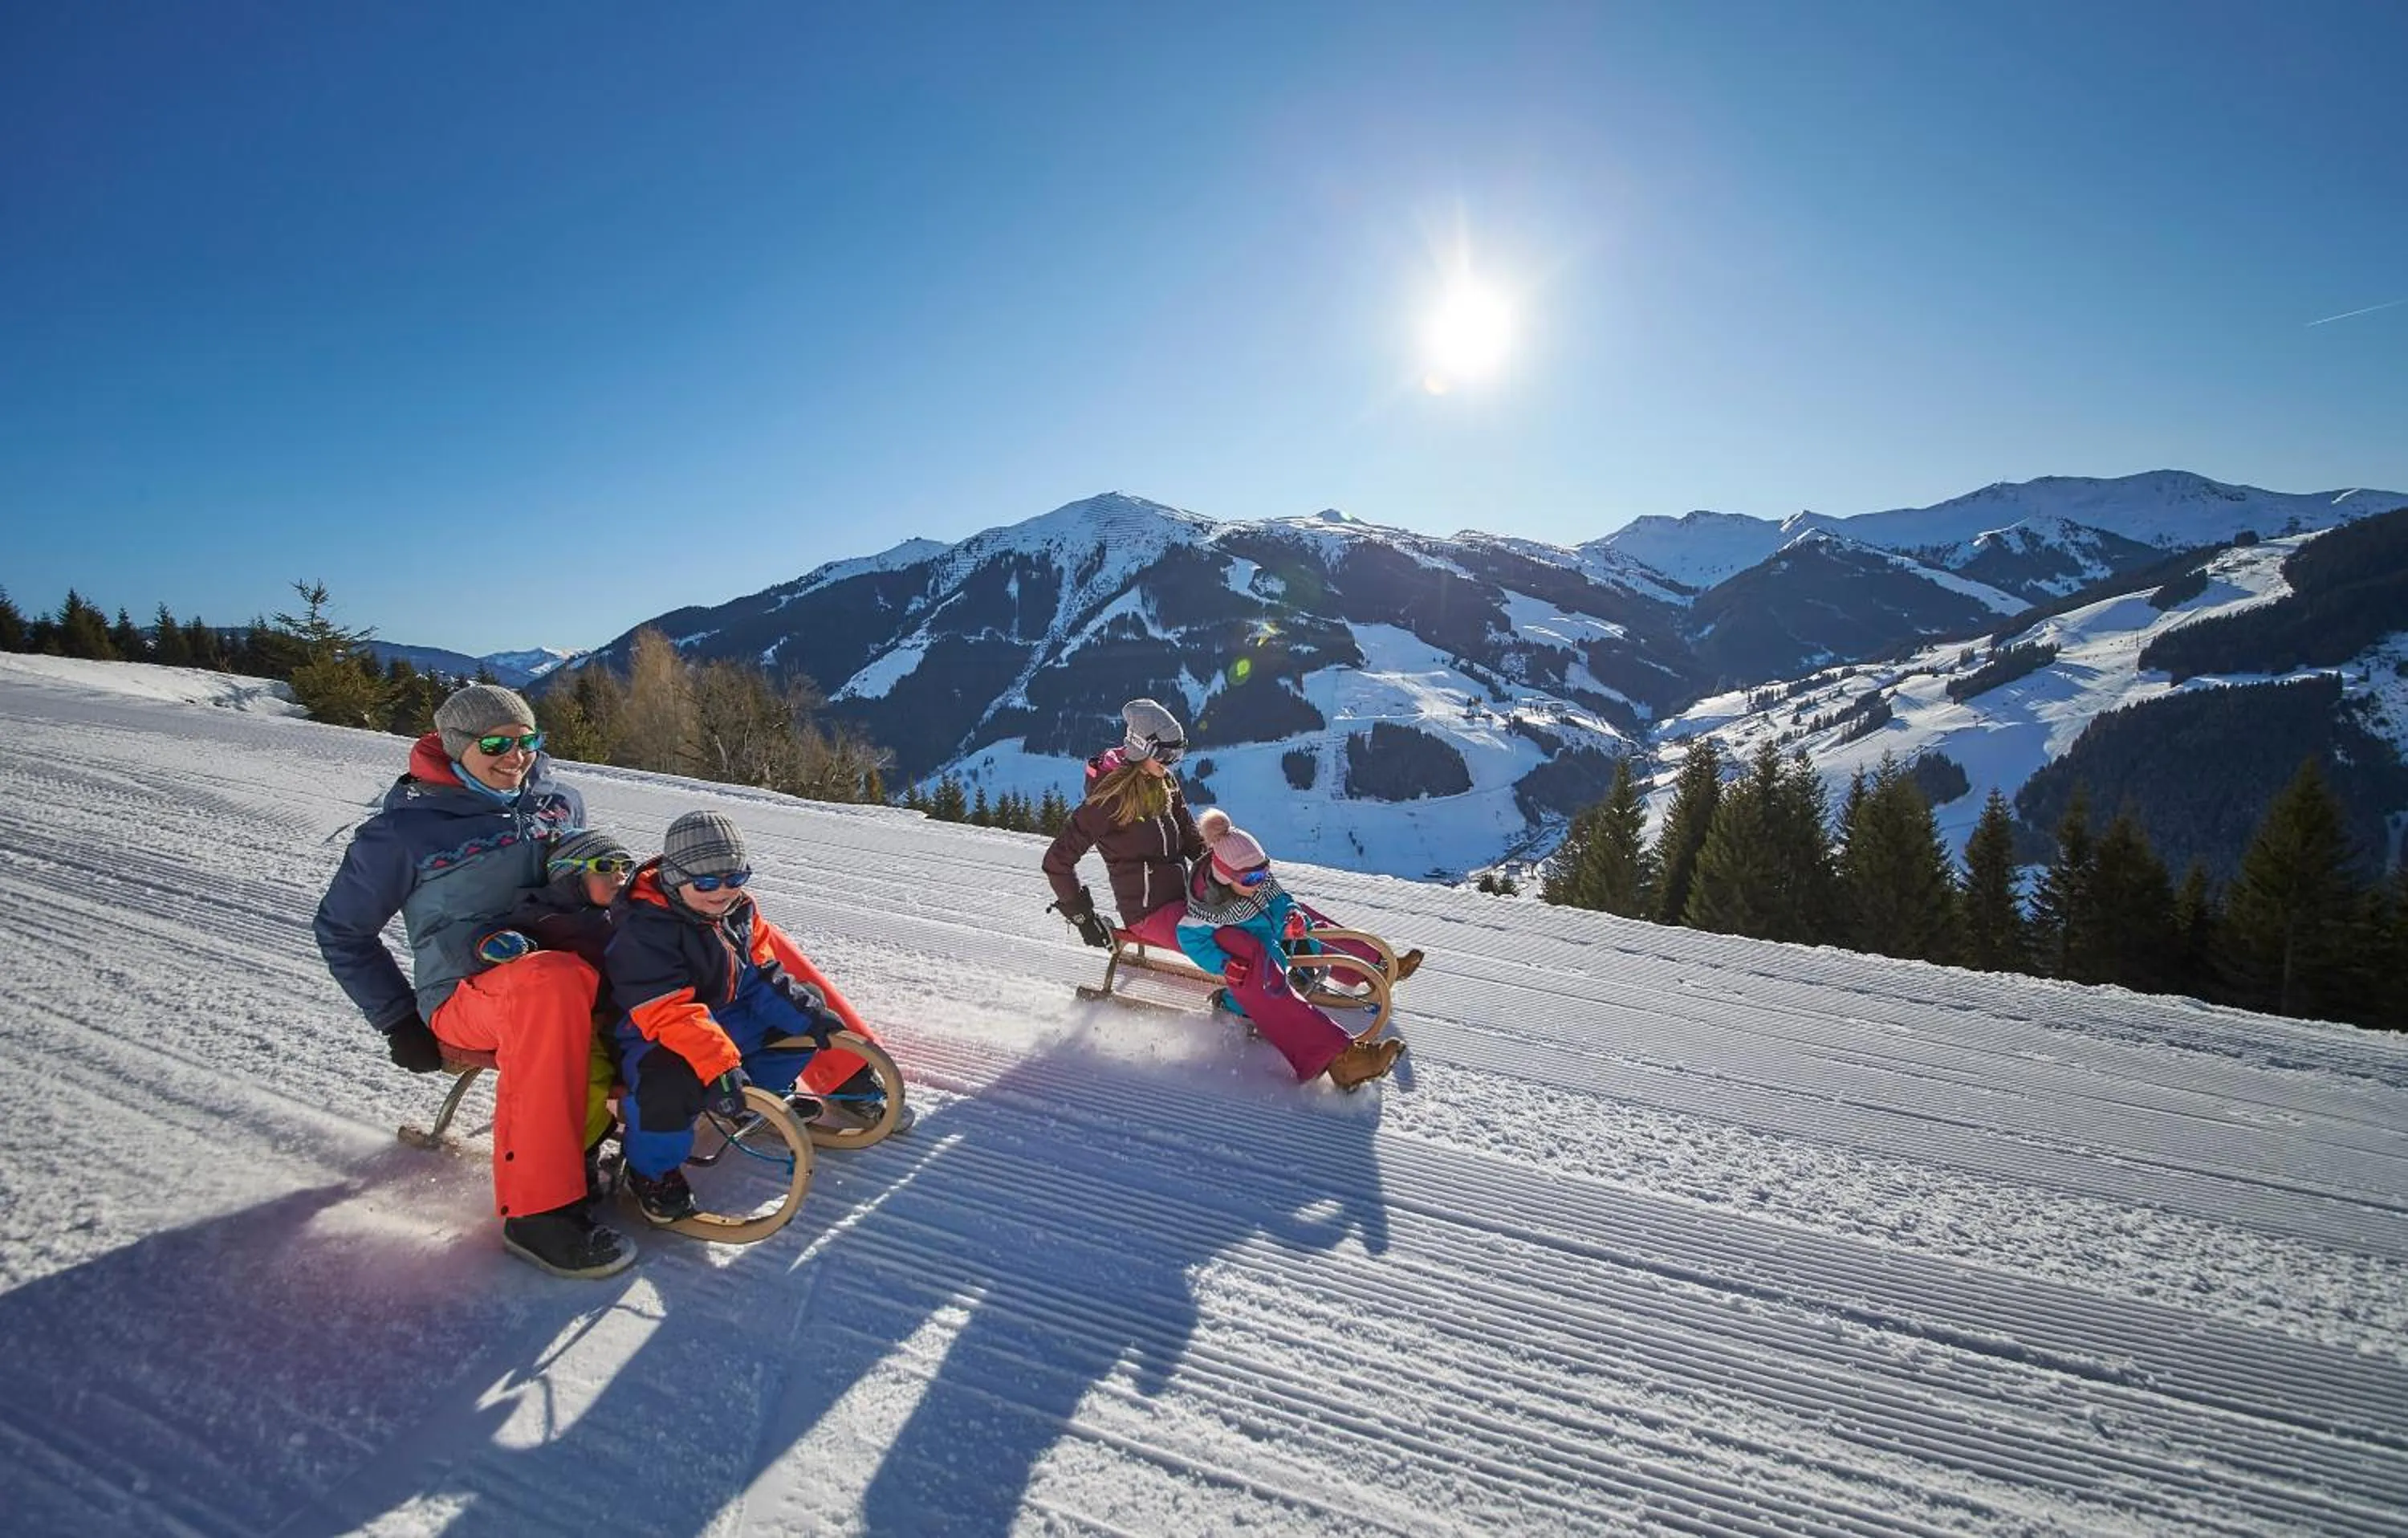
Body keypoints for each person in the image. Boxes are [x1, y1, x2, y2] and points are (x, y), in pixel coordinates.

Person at [315, 683, 633, 1280]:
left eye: (527, 741)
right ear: (457, 746)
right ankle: (538, 1213)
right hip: (468, 993)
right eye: (496, 743)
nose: (517, 757)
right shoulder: (404, 834)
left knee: (698, 909)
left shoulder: (557, 800)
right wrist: (398, 1019)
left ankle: (833, 1068)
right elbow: (340, 931)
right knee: (554, 982)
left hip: (562, 966)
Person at [604, 811, 855, 1225]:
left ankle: (752, 1098)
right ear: (674, 877)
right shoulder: (645, 930)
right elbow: (668, 1010)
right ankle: (652, 1172)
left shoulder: (739, 910)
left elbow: (761, 975)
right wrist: (719, 1064)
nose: (722, 892)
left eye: (734, 879)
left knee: (799, 1016)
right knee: (664, 1084)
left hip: (725, 1019)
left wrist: (810, 1016)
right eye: (705, 883)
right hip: (658, 1034)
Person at [1178, 809, 1405, 1091]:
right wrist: (1223, 964)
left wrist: (1291, 914)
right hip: (1257, 950)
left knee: (1310, 926)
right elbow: (1189, 937)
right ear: (1225, 876)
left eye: (1264, 872)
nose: (1259, 882)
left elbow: (1278, 898)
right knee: (1267, 970)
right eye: (1251, 879)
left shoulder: (1251, 876)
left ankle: (1369, 966)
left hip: (1271, 932)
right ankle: (1340, 1060)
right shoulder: (1210, 907)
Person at [475, 828, 640, 1178]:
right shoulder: (542, 917)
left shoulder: (623, 916)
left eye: (625, 865)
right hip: (575, 1026)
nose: (620, 875)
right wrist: (504, 945)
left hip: (622, 1016)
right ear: (570, 875)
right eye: (606, 866)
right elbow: (503, 945)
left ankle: (655, 1148)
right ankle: (577, 1152)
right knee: (588, 1081)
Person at [1040, 698, 1204, 950]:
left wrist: (1226, 871)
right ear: (1141, 747)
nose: (1171, 762)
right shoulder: (1109, 801)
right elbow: (1057, 861)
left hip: (1184, 899)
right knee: (1226, 943)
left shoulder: (1164, 782)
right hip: (1148, 913)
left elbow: (1191, 838)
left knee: (1248, 920)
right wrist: (1084, 919)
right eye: (1165, 754)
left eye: (1177, 754)